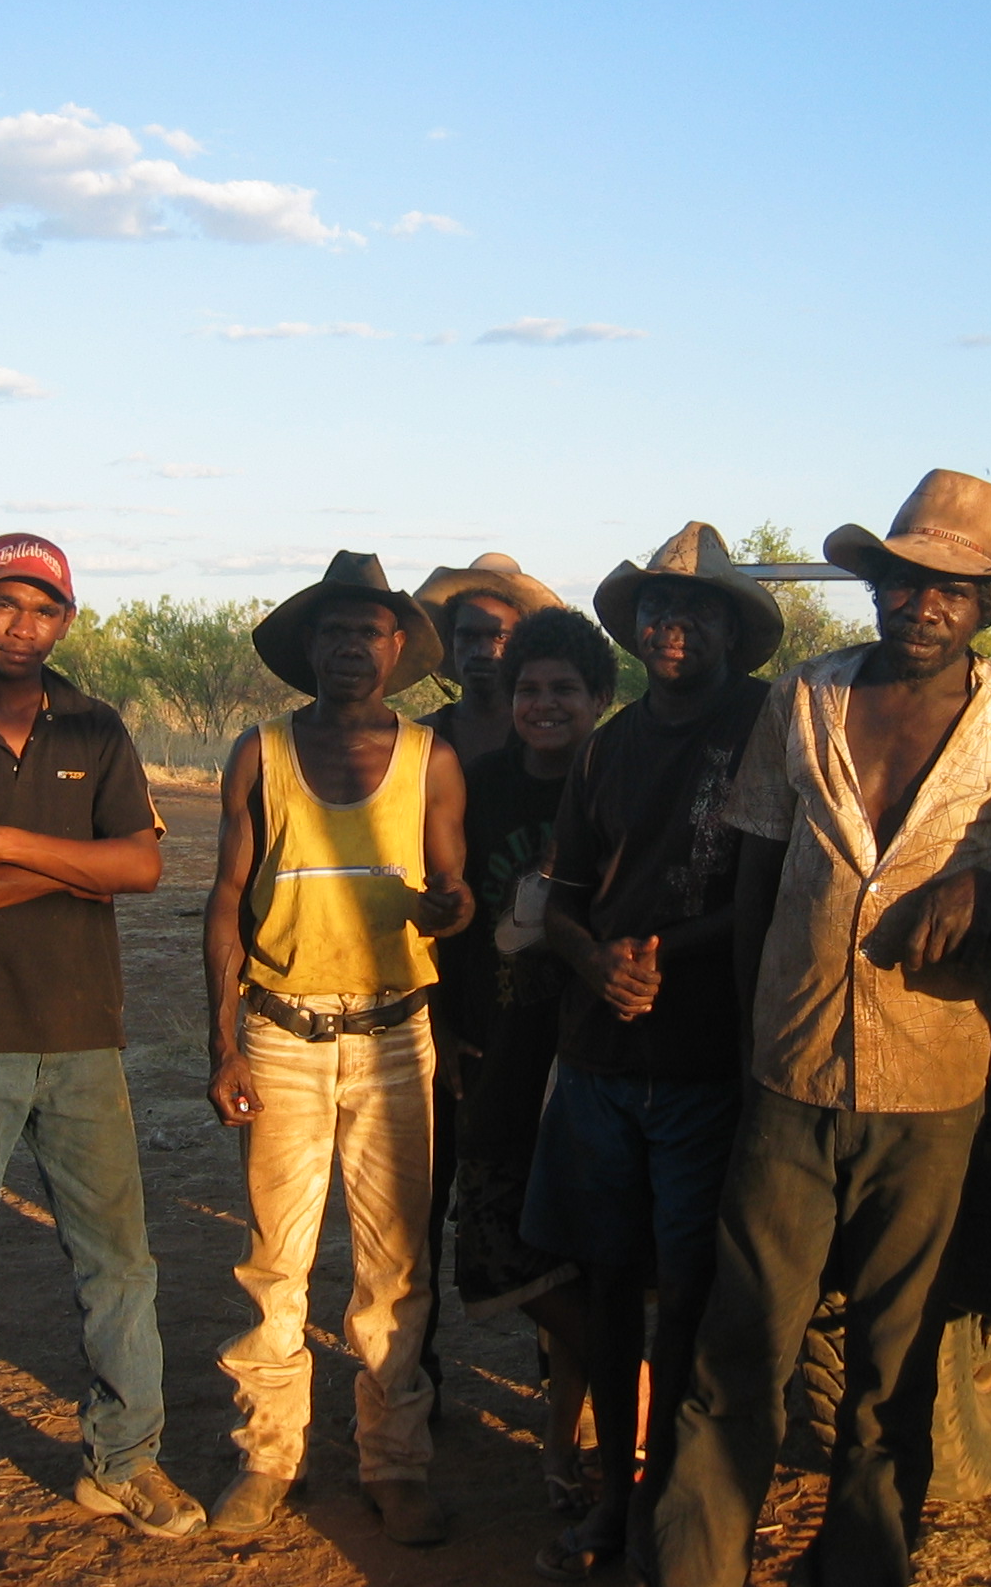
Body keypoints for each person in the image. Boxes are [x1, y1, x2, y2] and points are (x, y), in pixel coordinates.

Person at [654, 471, 991, 1587]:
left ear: (985, 603)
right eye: (904, 579)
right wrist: (759, 1038)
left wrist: (990, 900)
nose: (924, 603)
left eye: (951, 587)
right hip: (791, 1078)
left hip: (934, 1087)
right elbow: (755, 870)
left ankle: (861, 1566)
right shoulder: (804, 699)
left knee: (893, 1367)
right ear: (877, 587)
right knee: (740, 1345)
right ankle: (698, 1569)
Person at [0, 535, 200, 1565]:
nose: (22, 624)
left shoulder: (96, 728)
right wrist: (72, 870)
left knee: (117, 1267)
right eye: (4, 604)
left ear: (65, 619)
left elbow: (141, 867)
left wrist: (8, 847)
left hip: (80, 1033)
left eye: (42, 609)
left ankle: (122, 1461)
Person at [526, 522, 783, 1582]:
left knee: (688, 1294)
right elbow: (559, 899)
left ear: (732, 631)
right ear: (633, 627)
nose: (673, 629)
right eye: (658, 612)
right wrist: (593, 963)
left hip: (700, 1061)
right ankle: (619, 1501)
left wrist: (662, 953)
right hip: (600, 1057)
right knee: (607, 1284)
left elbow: (773, 896)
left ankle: (667, 1515)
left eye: (697, 613)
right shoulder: (608, 744)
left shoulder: (770, 730)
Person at [203, 551, 475, 1546]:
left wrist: (449, 909)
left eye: (368, 630)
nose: (350, 646)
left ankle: (393, 1464)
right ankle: (267, 1457)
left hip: (396, 1036)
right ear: (308, 647)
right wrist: (221, 1041)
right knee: (274, 1264)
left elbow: (454, 893)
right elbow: (228, 900)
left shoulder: (428, 758)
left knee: (394, 1272)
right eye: (332, 630)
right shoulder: (259, 753)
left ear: (397, 647)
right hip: (279, 1034)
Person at [438, 607, 618, 1513]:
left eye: (564, 690)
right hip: (504, 1048)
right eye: (529, 690)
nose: (544, 705)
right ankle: (630, 1396)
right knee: (501, 1249)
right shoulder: (478, 785)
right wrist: (456, 1033)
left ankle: (577, 1442)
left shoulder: (621, 784)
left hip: (601, 1056)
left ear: (600, 699)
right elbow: (461, 930)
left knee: (589, 1255)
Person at [410, 552, 565, 1399]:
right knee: (423, 1201)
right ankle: (415, 1376)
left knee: (551, 1196)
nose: (479, 650)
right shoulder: (421, 743)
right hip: (442, 993)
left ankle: (561, 1389)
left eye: (495, 634)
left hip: (541, 1006)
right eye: (464, 633)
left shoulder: (555, 738)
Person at [414, 553, 565, 767]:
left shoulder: (546, 736)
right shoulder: (421, 740)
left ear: (523, 644)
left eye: (500, 637)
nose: (483, 651)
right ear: (450, 642)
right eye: (468, 636)